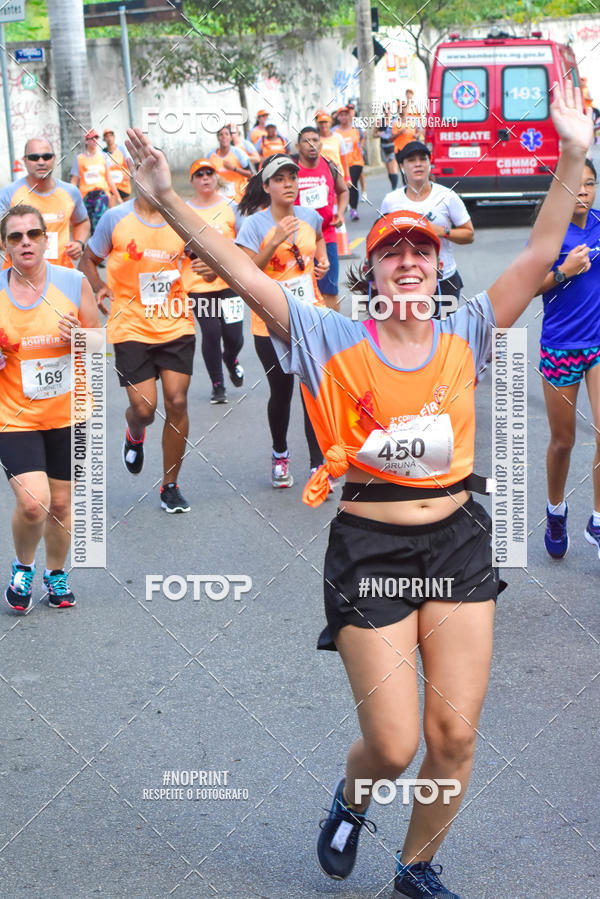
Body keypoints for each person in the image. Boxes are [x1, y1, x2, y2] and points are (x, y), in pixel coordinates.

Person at [124, 84, 591, 895]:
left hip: (457, 541)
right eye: (392, 249)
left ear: (439, 263)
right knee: (394, 741)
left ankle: (416, 865)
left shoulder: (469, 329)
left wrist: (575, 153)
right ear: (370, 267)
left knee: (453, 735)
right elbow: (239, 269)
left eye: (421, 248)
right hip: (370, 549)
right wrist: (166, 197)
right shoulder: (327, 334)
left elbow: (536, 254)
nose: (408, 257)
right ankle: (352, 796)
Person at [0, 204, 100, 612]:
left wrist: (80, 336)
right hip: (14, 416)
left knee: (60, 505)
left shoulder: (73, 282)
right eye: (15, 236)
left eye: (33, 235)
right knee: (33, 502)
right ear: (4, 245)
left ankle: (55, 573)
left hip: (68, 414)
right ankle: (23, 566)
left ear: (46, 239)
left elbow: (99, 345)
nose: (25, 242)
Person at [79, 188, 195, 513]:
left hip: (175, 322)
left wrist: (208, 270)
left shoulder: (180, 217)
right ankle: (135, 432)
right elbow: (88, 258)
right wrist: (99, 286)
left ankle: (170, 486)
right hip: (130, 325)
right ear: (132, 174)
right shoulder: (115, 218)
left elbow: (203, 256)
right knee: (144, 409)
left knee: (177, 400)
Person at [235, 154, 328, 487]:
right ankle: (279, 454)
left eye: (293, 177)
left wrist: (322, 262)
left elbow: (318, 241)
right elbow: (245, 275)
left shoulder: (310, 217)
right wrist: (274, 240)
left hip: (310, 318)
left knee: (312, 391)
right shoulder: (254, 225)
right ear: (267, 186)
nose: (289, 184)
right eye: (281, 179)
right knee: (282, 391)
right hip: (270, 324)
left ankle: (318, 465)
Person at [534, 158, 600, 559]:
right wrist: (565, 271)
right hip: (560, 347)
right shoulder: (548, 231)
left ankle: (598, 520)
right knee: (563, 441)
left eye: (590, 184)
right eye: (576, 184)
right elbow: (525, 288)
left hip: (598, 344)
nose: (583, 191)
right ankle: (556, 510)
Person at [182, 158, 244, 404]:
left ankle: (231, 358)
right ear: (192, 181)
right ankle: (217, 385)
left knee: (234, 337)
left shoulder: (231, 206)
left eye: (209, 173)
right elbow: (181, 242)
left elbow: (242, 243)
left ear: (216, 177)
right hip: (198, 284)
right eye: (199, 175)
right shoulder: (185, 210)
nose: (205, 178)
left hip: (229, 282)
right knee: (210, 332)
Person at [381, 141, 474, 301]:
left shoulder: (447, 196)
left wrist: (442, 231)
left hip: (443, 280)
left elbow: (469, 235)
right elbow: (381, 238)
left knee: (444, 326)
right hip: (407, 281)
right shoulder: (391, 201)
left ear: (429, 163)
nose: (418, 164)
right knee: (409, 326)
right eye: (411, 160)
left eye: (422, 159)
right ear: (402, 166)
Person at [0, 137, 90, 269]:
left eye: (46, 157)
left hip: (60, 275)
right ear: (24, 160)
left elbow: (82, 222)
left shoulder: (70, 192)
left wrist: (79, 243)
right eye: (34, 157)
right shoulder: (8, 194)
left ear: (54, 158)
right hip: (19, 278)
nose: (41, 162)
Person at [294, 126, 349, 310]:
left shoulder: (329, 166)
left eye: (315, 140)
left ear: (321, 143)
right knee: (301, 291)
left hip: (327, 235)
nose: (311, 145)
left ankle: (333, 334)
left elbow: (343, 191)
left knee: (329, 291)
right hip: (298, 239)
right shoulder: (291, 171)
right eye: (306, 141)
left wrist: (340, 213)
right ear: (297, 146)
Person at [70, 129, 121, 233]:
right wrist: (71, 199)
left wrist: (118, 197)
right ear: (86, 141)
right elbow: (74, 181)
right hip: (86, 196)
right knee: (90, 225)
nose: (94, 141)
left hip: (101, 194)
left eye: (96, 138)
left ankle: (99, 245)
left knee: (98, 219)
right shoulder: (79, 159)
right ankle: (96, 244)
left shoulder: (104, 157)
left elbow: (109, 178)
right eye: (91, 139)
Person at [333, 106, 365, 221]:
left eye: (346, 114)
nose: (344, 117)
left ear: (349, 115)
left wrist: (361, 146)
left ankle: (354, 210)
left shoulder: (356, 128)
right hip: (341, 164)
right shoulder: (335, 132)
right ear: (338, 117)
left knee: (353, 183)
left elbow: (362, 137)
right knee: (343, 185)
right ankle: (344, 204)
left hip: (356, 161)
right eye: (341, 115)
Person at [209, 126, 252, 203]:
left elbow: (251, 174)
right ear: (218, 138)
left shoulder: (239, 153)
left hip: (238, 199)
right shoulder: (211, 155)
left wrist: (235, 169)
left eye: (226, 134)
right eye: (221, 134)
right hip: (219, 199)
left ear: (231, 137)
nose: (224, 137)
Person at [315, 111, 350, 182]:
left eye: (326, 122)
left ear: (330, 123)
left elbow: (344, 158)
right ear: (318, 124)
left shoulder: (338, 137)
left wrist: (347, 177)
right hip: (322, 175)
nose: (323, 125)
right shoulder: (315, 139)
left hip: (337, 173)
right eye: (321, 123)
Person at [374, 103, 400, 190]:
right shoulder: (380, 121)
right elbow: (374, 134)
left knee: (393, 167)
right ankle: (393, 187)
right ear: (383, 111)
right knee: (389, 169)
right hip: (383, 146)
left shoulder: (395, 120)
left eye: (389, 108)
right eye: (385, 109)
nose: (387, 111)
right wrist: (379, 134)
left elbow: (398, 132)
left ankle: (395, 188)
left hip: (392, 145)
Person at [102, 129, 133, 201]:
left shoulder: (122, 149)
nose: (109, 138)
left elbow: (130, 162)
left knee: (126, 208)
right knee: (112, 208)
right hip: (110, 185)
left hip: (123, 184)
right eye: (107, 136)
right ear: (104, 139)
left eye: (111, 136)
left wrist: (129, 173)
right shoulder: (102, 153)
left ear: (114, 137)